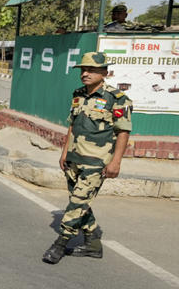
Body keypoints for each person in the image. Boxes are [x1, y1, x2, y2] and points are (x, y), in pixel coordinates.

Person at [42, 52, 132, 264]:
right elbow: (72, 124)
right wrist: (65, 152)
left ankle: (60, 243)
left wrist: (116, 162)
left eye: (91, 70)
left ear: (104, 73)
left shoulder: (117, 98)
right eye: (83, 70)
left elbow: (123, 132)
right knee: (79, 201)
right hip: (74, 158)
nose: (85, 74)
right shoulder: (78, 94)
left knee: (78, 202)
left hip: (96, 161)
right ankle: (93, 243)